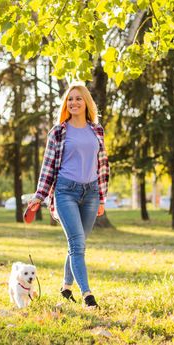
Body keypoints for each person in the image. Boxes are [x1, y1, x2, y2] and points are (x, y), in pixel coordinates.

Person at [27, 82, 109, 308]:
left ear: (86, 103)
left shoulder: (97, 130)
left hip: (91, 192)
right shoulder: (59, 131)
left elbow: (102, 164)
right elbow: (48, 166)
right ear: (66, 104)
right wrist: (39, 195)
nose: (73, 102)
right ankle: (87, 295)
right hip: (65, 192)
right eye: (70, 99)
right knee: (77, 244)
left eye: (78, 98)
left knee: (77, 244)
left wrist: (102, 197)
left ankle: (65, 288)